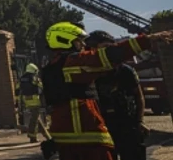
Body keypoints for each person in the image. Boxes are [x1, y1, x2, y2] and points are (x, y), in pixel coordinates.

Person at [41, 22, 173, 160]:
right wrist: (147, 40)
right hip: (86, 136)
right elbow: (109, 55)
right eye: (79, 42)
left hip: (65, 137)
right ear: (65, 40)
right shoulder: (72, 62)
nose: (83, 46)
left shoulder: (50, 67)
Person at [85, 30, 147, 160]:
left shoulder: (125, 71)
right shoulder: (88, 73)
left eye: (107, 48)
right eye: (98, 48)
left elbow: (139, 96)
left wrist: (139, 121)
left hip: (127, 124)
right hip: (102, 127)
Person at [16, 63, 47, 143]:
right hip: (35, 100)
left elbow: (17, 90)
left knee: (36, 117)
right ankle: (32, 136)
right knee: (34, 119)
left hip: (26, 100)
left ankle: (47, 136)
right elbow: (41, 86)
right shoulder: (33, 77)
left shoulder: (21, 78)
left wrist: (18, 102)